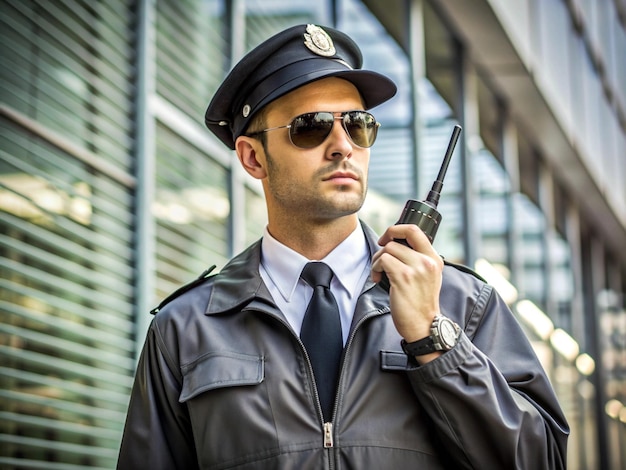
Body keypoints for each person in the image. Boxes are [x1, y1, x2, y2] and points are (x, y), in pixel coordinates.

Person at [117, 24, 569, 469]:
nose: (342, 146)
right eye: (310, 127)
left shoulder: (463, 304)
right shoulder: (185, 328)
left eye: (358, 124)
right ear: (253, 157)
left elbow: (542, 459)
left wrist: (437, 342)